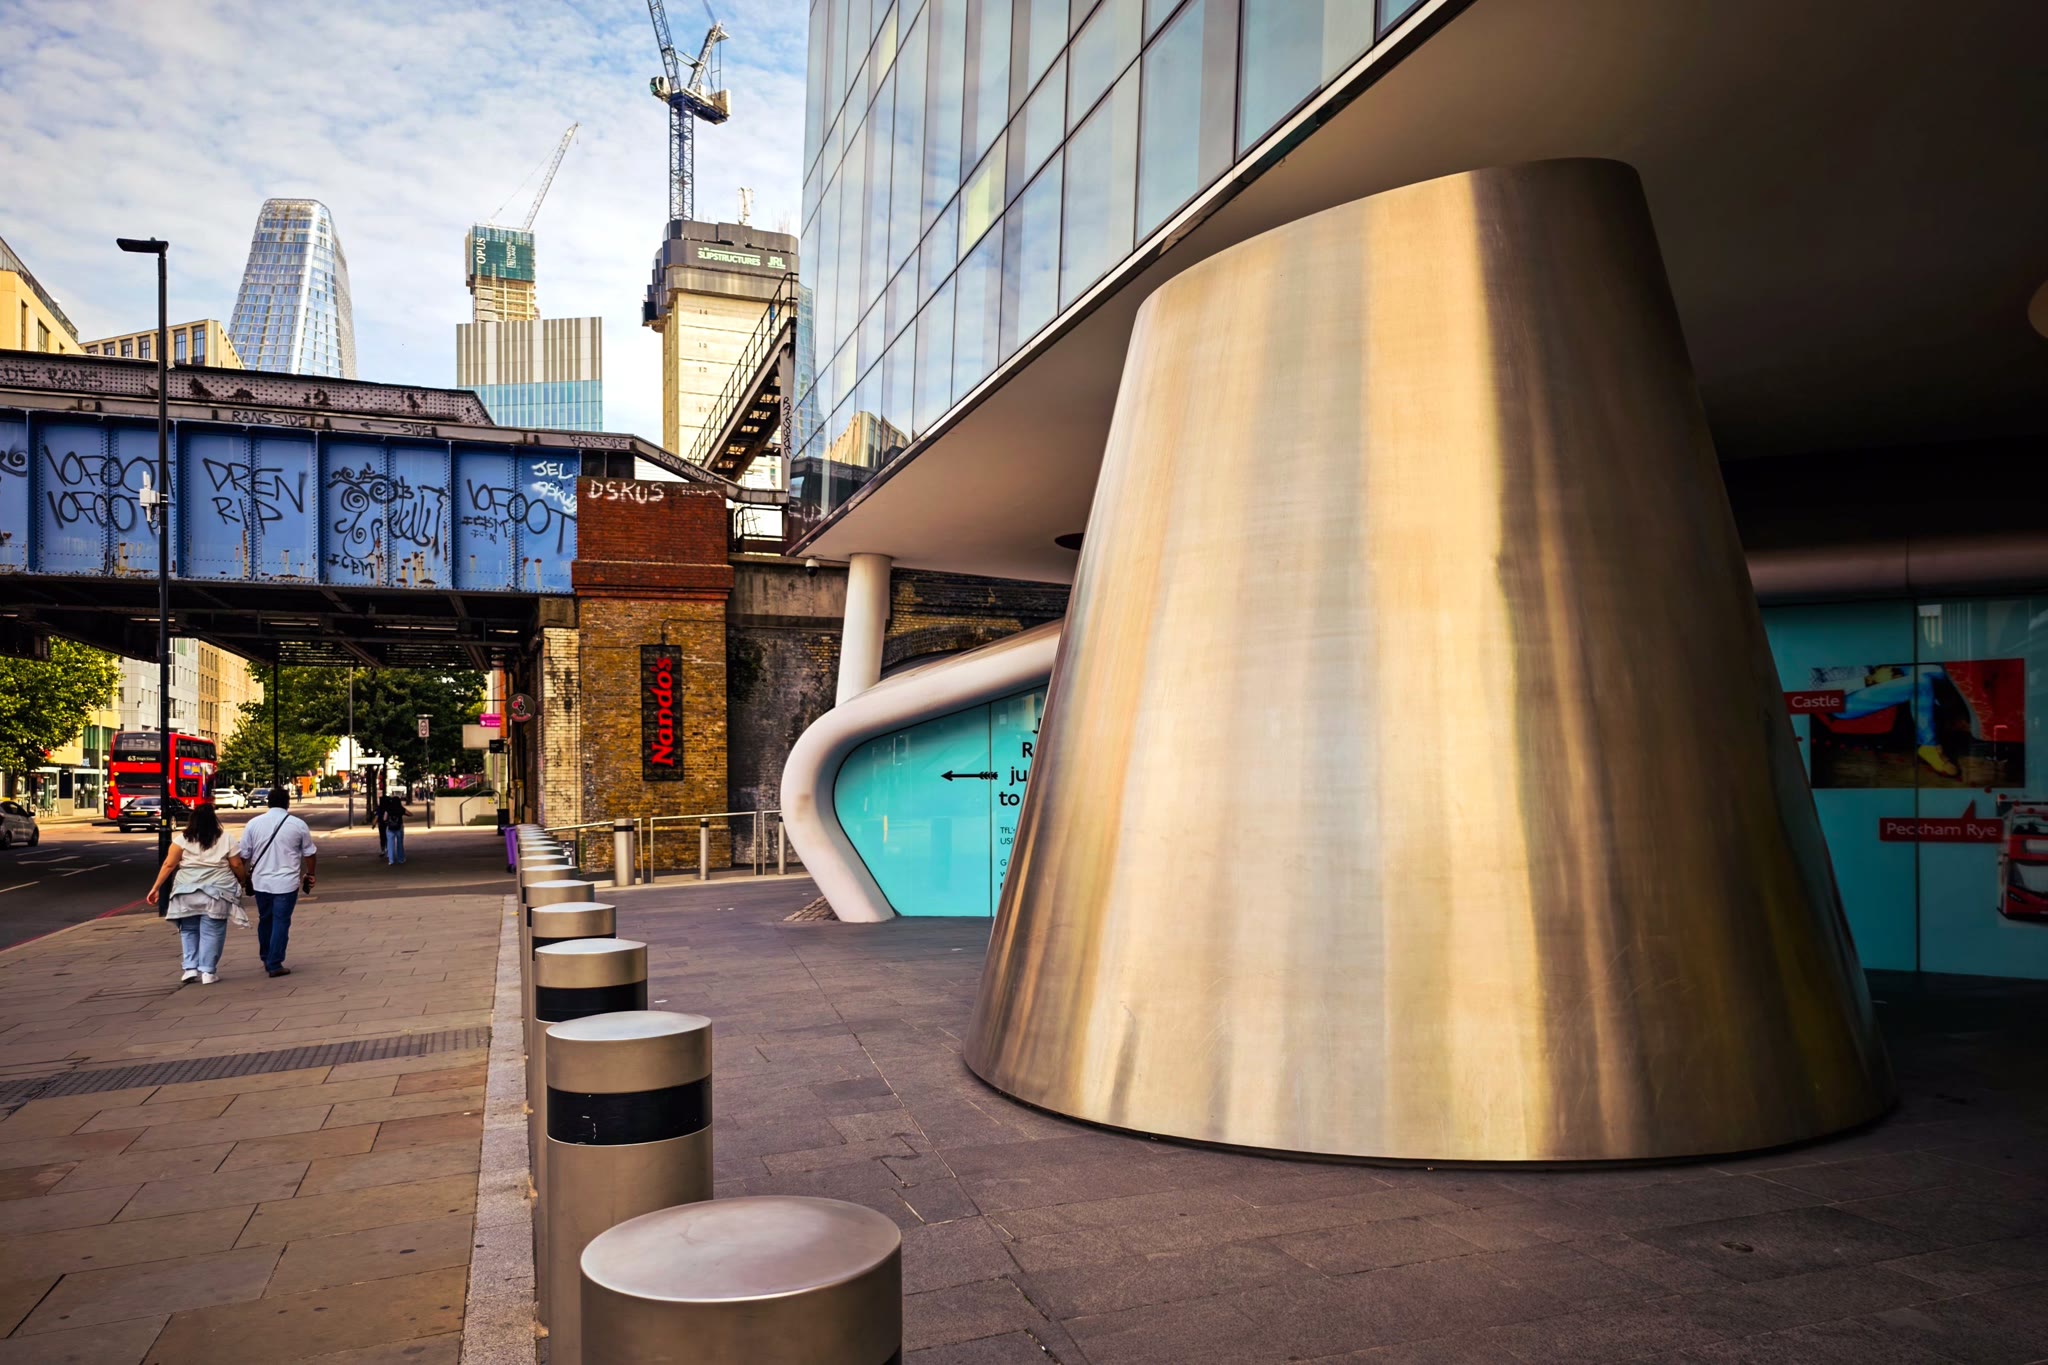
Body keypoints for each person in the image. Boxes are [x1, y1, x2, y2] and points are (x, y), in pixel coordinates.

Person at [145, 804, 246, 985]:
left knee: (189, 930)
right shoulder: (226, 839)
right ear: (214, 820)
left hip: (186, 891)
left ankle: (190, 968)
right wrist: (243, 880)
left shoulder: (182, 840)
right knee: (212, 931)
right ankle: (208, 971)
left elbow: (169, 864)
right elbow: (237, 864)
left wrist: (156, 887)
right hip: (217, 892)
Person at [238, 787, 318, 978]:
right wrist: (310, 874)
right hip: (286, 882)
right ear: (287, 803)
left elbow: (243, 855)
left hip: (261, 882)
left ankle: (266, 957)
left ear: (268, 802)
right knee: (281, 921)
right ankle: (275, 962)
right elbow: (310, 853)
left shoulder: (253, 824)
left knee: (265, 918)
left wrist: (241, 878)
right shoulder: (298, 824)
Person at [378, 791, 407, 866]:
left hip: (390, 828)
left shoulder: (388, 809)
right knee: (400, 844)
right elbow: (410, 814)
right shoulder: (400, 809)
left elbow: (384, 818)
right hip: (399, 827)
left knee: (390, 844)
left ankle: (391, 860)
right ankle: (400, 859)